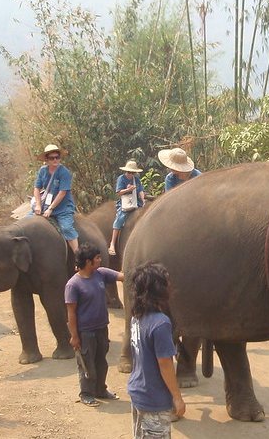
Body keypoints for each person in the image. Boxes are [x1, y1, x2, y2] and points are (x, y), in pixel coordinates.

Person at [127, 262, 185, 438]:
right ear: (158, 289)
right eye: (166, 281)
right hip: (154, 399)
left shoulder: (137, 317)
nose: (170, 285)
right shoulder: (161, 323)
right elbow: (165, 363)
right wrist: (177, 397)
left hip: (137, 391)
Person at [65, 243, 124, 406]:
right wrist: (74, 336)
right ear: (88, 262)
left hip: (101, 328)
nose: (100, 260)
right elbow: (71, 313)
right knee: (87, 364)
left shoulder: (101, 274)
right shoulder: (73, 285)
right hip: (85, 332)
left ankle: (100, 390)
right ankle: (86, 394)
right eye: (97, 258)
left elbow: (122, 276)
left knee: (101, 361)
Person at [31, 143, 79, 254]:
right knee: (27, 221)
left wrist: (51, 209)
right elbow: (36, 189)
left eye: (57, 157)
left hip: (62, 207)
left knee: (67, 228)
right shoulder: (42, 171)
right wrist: (38, 205)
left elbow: (62, 193)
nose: (55, 160)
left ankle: (78, 256)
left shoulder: (64, 172)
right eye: (52, 158)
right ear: (47, 160)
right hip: (44, 206)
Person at [109, 160, 146, 256]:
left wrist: (142, 199)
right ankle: (112, 243)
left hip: (136, 202)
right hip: (124, 203)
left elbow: (140, 190)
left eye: (132, 172)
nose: (130, 174)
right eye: (129, 172)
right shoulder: (121, 179)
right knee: (120, 219)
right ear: (126, 171)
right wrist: (128, 190)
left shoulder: (136, 179)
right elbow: (118, 192)